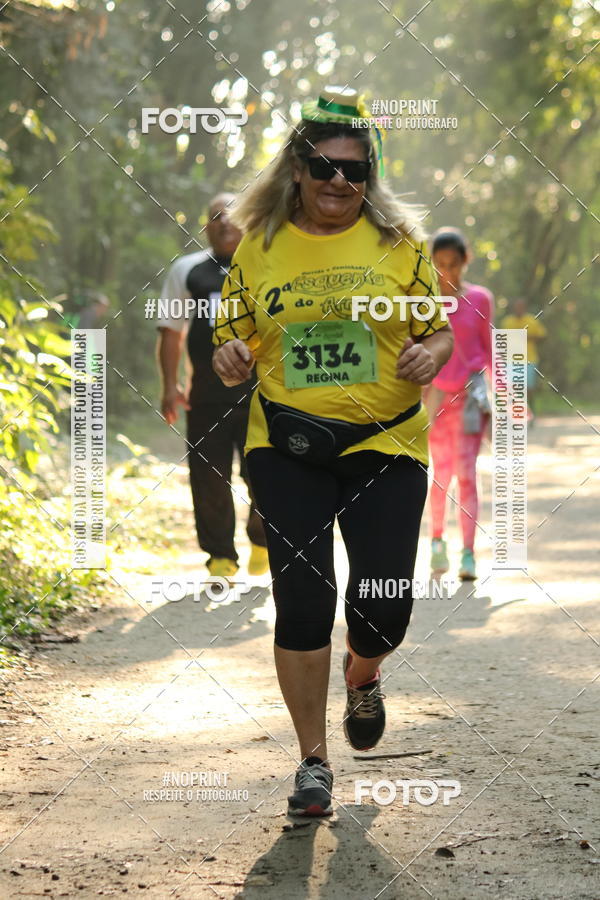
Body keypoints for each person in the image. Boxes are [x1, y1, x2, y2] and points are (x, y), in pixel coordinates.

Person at [212, 87, 453, 817]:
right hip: (287, 443)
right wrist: (230, 356)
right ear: (298, 170)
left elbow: (438, 330)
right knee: (303, 598)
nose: (340, 181)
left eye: (355, 170)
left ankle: (363, 673)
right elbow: (232, 338)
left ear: (370, 176)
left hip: (386, 441)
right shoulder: (259, 247)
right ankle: (313, 763)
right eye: (324, 167)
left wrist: (433, 354)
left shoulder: (399, 245)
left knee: (385, 608)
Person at [157, 192, 268, 578]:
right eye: (215, 216)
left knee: (266, 473)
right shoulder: (186, 270)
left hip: (264, 395)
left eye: (232, 214)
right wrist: (170, 385)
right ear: (205, 226)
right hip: (205, 397)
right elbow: (171, 332)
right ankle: (220, 556)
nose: (224, 222)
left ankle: (262, 538)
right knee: (209, 479)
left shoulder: (268, 265)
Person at [426, 227, 494, 582]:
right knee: (441, 474)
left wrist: (508, 397)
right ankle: (437, 541)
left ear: (465, 261)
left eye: (452, 264)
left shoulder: (480, 299)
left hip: (469, 400)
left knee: (467, 475)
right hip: (437, 401)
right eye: (439, 264)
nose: (446, 272)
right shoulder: (425, 303)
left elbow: (490, 350)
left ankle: (468, 552)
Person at [501, 297, 546, 422]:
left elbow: (542, 336)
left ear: (525, 308)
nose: (519, 309)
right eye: (517, 307)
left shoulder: (532, 320)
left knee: (528, 388)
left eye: (521, 307)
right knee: (512, 388)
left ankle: (531, 412)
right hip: (511, 360)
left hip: (529, 359)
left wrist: (528, 337)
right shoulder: (507, 322)